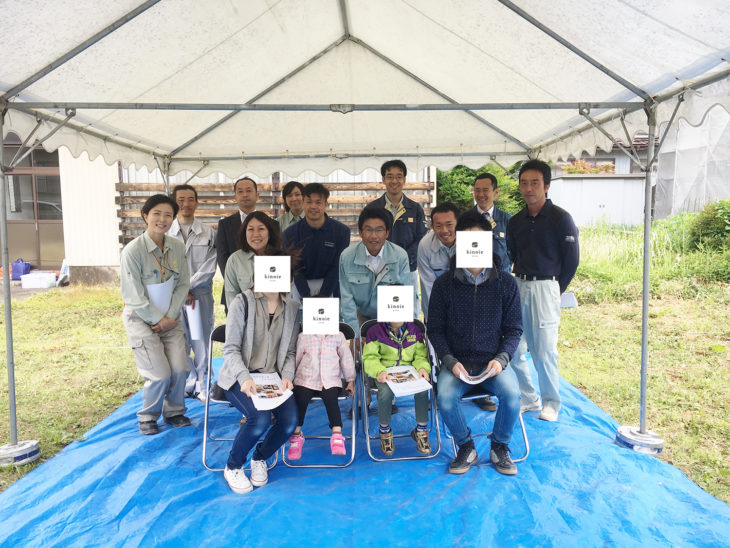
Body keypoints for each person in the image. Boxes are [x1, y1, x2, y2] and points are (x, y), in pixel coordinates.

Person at [428, 210, 523, 475]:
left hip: (492, 362)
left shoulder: (506, 283)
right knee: (445, 398)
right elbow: (434, 329)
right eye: (467, 241)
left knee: (513, 396)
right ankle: (465, 445)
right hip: (457, 363)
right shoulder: (444, 284)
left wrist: (501, 359)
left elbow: (515, 329)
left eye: (479, 241)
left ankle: (499, 446)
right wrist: (450, 361)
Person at [217, 253, 300, 494]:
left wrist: (287, 375)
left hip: (272, 379)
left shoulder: (293, 308)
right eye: (269, 272)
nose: (274, 277)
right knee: (260, 419)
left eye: (280, 273)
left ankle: (260, 457)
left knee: (289, 421)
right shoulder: (242, 303)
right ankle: (233, 466)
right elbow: (231, 349)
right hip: (239, 378)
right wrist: (245, 377)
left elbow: (291, 351)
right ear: (258, 276)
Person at [507, 159, 579, 422]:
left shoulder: (561, 218)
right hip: (519, 285)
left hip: (548, 285)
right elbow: (513, 253)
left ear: (546, 186)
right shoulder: (515, 221)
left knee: (544, 349)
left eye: (534, 183)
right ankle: (529, 397)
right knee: (513, 347)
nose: (528, 188)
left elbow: (571, 260)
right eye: (524, 183)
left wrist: (555, 289)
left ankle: (551, 402)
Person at [120, 194, 191, 435]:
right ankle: (148, 415)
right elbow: (133, 295)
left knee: (180, 368)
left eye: (168, 215)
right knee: (160, 374)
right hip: (142, 320)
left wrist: (170, 317)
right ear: (145, 216)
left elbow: (183, 284)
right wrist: (156, 319)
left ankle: (175, 411)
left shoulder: (178, 247)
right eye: (157, 214)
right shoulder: (133, 251)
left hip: (171, 319)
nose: (162, 219)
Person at [168, 184, 217, 401]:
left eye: (190, 199)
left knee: (201, 339)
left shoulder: (208, 232)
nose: (186, 204)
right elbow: (163, 266)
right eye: (181, 199)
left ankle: (204, 385)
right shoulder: (166, 232)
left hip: (199, 295)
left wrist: (188, 287)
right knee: (180, 340)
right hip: (172, 296)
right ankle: (188, 382)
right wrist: (180, 290)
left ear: (196, 203)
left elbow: (210, 265)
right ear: (174, 202)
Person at [362, 320, 432, 455]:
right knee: (385, 392)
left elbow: (420, 356)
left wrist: (422, 368)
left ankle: (421, 430)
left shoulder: (414, 329)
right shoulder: (375, 331)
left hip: (410, 371)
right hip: (384, 372)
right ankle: (385, 431)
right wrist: (379, 371)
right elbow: (370, 357)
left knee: (423, 388)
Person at [368, 160, 427, 316]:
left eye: (399, 176)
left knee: (409, 313)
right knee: (382, 313)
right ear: (383, 179)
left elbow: (421, 238)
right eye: (390, 176)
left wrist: (403, 260)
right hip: (380, 270)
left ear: (404, 179)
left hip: (408, 269)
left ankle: (411, 341)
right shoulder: (372, 208)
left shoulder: (415, 209)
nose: (394, 181)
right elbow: (368, 238)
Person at [339, 206, 410, 332]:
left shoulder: (400, 256)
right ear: (360, 232)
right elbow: (347, 300)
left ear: (387, 233)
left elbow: (408, 298)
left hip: (392, 320)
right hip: (361, 317)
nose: (373, 236)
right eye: (368, 230)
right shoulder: (347, 257)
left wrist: (406, 331)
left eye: (379, 230)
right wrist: (355, 335)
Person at [287, 330, 356, 459]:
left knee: (331, 398)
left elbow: (346, 359)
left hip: (330, 380)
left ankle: (337, 434)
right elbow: (296, 359)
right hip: (305, 379)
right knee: (300, 398)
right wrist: (289, 378)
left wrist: (350, 380)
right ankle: (296, 436)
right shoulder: (303, 336)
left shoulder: (339, 336)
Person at [282, 182, 351, 300]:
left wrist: (323, 295)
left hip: (332, 289)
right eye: (309, 202)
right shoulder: (290, 233)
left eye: (318, 202)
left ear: (326, 204)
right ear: (303, 203)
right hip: (301, 290)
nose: (313, 206)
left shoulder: (342, 231)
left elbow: (337, 266)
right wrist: (306, 296)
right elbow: (295, 268)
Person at [216, 176, 259, 310]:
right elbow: (222, 257)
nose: (245, 194)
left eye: (248, 190)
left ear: (257, 195)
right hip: (233, 292)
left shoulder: (270, 224)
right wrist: (234, 283)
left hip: (265, 294)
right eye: (240, 191)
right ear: (235, 196)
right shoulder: (224, 224)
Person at [224, 211, 282, 307]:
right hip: (245, 319)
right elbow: (231, 298)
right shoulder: (235, 260)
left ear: (269, 233)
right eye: (251, 229)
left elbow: (287, 297)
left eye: (261, 229)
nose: (256, 234)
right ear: (244, 233)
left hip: (276, 318)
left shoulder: (280, 258)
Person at [417, 202, 460, 322]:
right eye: (438, 226)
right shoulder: (425, 245)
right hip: (437, 309)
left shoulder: (470, 241)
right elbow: (428, 287)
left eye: (449, 225)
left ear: (458, 224)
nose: (444, 231)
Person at [469, 172, 512, 274]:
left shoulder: (507, 219)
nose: (480, 194)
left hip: (501, 278)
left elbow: (513, 251)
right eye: (477, 190)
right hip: (474, 279)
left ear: (496, 192)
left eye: (485, 190)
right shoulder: (466, 218)